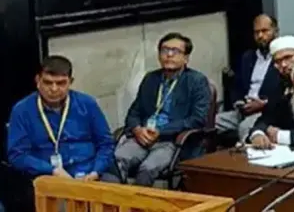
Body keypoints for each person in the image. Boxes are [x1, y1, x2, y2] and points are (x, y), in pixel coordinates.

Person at [6, 56, 115, 210]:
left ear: (71, 82)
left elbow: (106, 143)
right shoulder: (22, 110)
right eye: (48, 82)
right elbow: (17, 155)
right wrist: (52, 171)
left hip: (90, 173)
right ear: (37, 80)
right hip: (48, 178)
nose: (54, 89)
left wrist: (96, 171)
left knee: (118, 197)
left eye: (61, 83)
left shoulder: (87, 104)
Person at [115, 33, 211, 186]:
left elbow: (197, 119)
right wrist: (137, 130)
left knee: (148, 169)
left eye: (175, 51)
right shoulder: (151, 79)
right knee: (115, 161)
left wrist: (162, 131)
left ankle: (138, 201)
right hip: (143, 137)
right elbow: (134, 112)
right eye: (165, 50)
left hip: (172, 140)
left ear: (186, 58)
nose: (169, 54)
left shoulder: (197, 81)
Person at [216, 14, 280, 142]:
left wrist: (264, 104)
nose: (260, 36)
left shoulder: (281, 60)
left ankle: (246, 153)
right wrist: (238, 102)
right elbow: (237, 85)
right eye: (257, 32)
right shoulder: (248, 57)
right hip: (243, 110)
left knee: (245, 127)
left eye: (265, 31)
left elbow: (284, 93)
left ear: (275, 31)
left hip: (264, 112)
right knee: (211, 122)